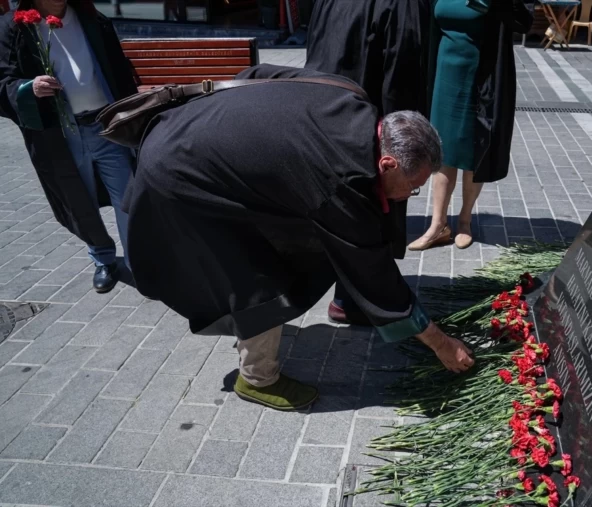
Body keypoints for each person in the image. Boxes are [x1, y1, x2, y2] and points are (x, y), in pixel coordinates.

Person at [124, 64, 476, 412]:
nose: (404, 198)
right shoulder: (341, 178)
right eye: (412, 189)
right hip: (179, 178)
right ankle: (257, 378)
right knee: (261, 282)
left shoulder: (349, 94)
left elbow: (258, 75)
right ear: (386, 163)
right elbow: (374, 274)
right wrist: (441, 344)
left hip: (184, 130)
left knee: (289, 246)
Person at [305, 0, 430, 326]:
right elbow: (403, 77)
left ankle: (344, 289)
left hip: (320, 114)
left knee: (336, 205)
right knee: (370, 206)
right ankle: (358, 297)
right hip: (366, 126)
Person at [0, 0, 135, 293]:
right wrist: (28, 88)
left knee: (129, 197)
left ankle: (139, 262)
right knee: (79, 201)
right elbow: (4, 82)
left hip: (108, 125)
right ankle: (103, 259)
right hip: (60, 135)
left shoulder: (91, 19)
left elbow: (120, 71)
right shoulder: (15, 27)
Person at [408, 0, 533, 251]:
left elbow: (523, 20)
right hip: (444, 72)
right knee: (443, 148)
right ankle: (438, 225)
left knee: (474, 147)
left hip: (481, 74)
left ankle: (464, 220)